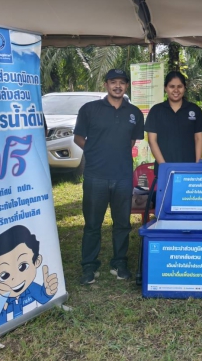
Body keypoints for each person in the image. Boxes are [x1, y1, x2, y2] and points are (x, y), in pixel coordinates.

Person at [74, 69, 144, 285]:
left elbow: (131, 141)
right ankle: (89, 266)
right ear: (105, 84)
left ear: (126, 86)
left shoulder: (134, 113)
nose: (118, 86)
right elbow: (78, 138)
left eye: (122, 82)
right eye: (113, 82)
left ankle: (119, 263)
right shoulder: (89, 109)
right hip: (95, 176)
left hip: (122, 176)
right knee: (92, 224)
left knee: (122, 224)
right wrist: (96, 152)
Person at [145, 71, 202, 173]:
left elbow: (198, 139)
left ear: (184, 88)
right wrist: (165, 167)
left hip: (189, 170)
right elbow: (152, 141)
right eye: (172, 86)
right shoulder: (156, 111)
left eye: (179, 86)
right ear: (165, 88)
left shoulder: (194, 109)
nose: (176, 90)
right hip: (164, 170)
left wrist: (197, 166)